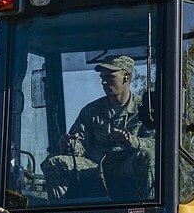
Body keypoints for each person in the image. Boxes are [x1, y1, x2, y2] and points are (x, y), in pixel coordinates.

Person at [42, 56, 155, 201]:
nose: (103, 82)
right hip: (93, 167)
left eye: (110, 77)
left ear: (126, 77)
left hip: (126, 166)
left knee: (149, 157)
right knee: (54, 163)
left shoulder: (146, 109)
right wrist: (70, 144)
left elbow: (154, 143)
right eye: (102, 77)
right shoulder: (91, 111)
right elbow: (80, 145)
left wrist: (131, 141)